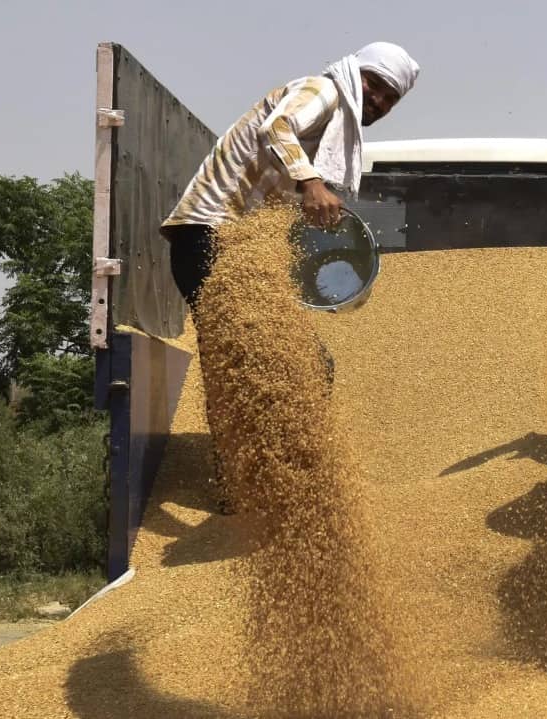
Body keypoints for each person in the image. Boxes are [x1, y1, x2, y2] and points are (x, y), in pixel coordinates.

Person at [160, 42, 418, 511]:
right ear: (353, 72)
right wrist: (311, 182)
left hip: (240, 248)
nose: (377, 101)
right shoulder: (323, 90)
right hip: (208, 235)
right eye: (374, 85)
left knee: (310, 362)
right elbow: (276, 125)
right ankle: (240, 481)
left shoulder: (332, 130)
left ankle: (279, 470)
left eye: (388, 98)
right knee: (240, 363)